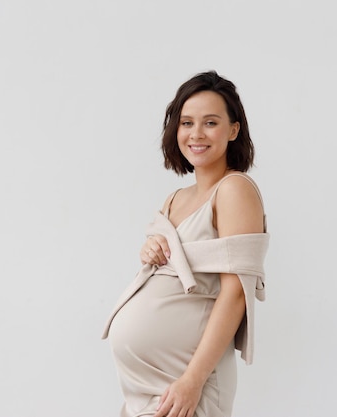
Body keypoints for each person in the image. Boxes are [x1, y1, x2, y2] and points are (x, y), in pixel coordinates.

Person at [102, 70, 270, 417]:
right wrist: (150, 251)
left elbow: (236, 292)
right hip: (146, 389)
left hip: (188, 384)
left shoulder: (234, 190)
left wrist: (192, 381)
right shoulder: (174, 199)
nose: (196, 134)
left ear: (233, 130)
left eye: (210, 123)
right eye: (186, 122)